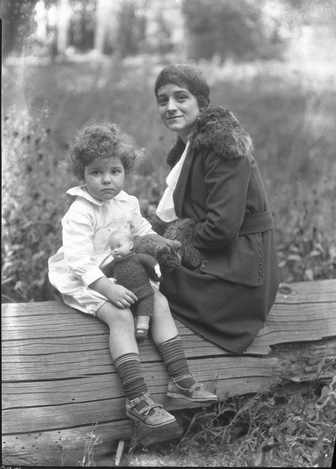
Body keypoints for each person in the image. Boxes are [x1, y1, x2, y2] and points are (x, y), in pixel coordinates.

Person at [48, 122, 217, 430]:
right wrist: (106, 289)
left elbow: (141, 231)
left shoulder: (127, 202)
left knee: (159, 302)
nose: (107, 180)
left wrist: (159, 244)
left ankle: (180, 379)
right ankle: (137, 399)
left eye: (114, 171)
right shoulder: (80, 212)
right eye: (96, 173)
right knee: (121, 316)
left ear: (125, 170)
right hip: (86, 276)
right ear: (82, 175)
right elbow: (78, 260)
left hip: (124, 269)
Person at [153, 64, 280, 354]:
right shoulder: (189, 148)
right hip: (221, 255)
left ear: (202, 103)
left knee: (146, 286)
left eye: (180, 98)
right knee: (134, 268)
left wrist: (174, 243)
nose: (171, 107)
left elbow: (221, 229)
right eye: (163, 100)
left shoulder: (222, 147)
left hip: (243, 269)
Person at [102, 228, 161, 342]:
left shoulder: (137, 257)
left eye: (119, 246)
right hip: (126, 295)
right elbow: (103, 273)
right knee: (129, 313)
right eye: (112, 248)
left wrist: (156, 269)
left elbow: (150, 261)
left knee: (145, 307)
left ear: (130, 245)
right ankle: (134, 327)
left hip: (144, 292)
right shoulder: (114, 264)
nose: (115, 250)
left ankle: (142, 327)